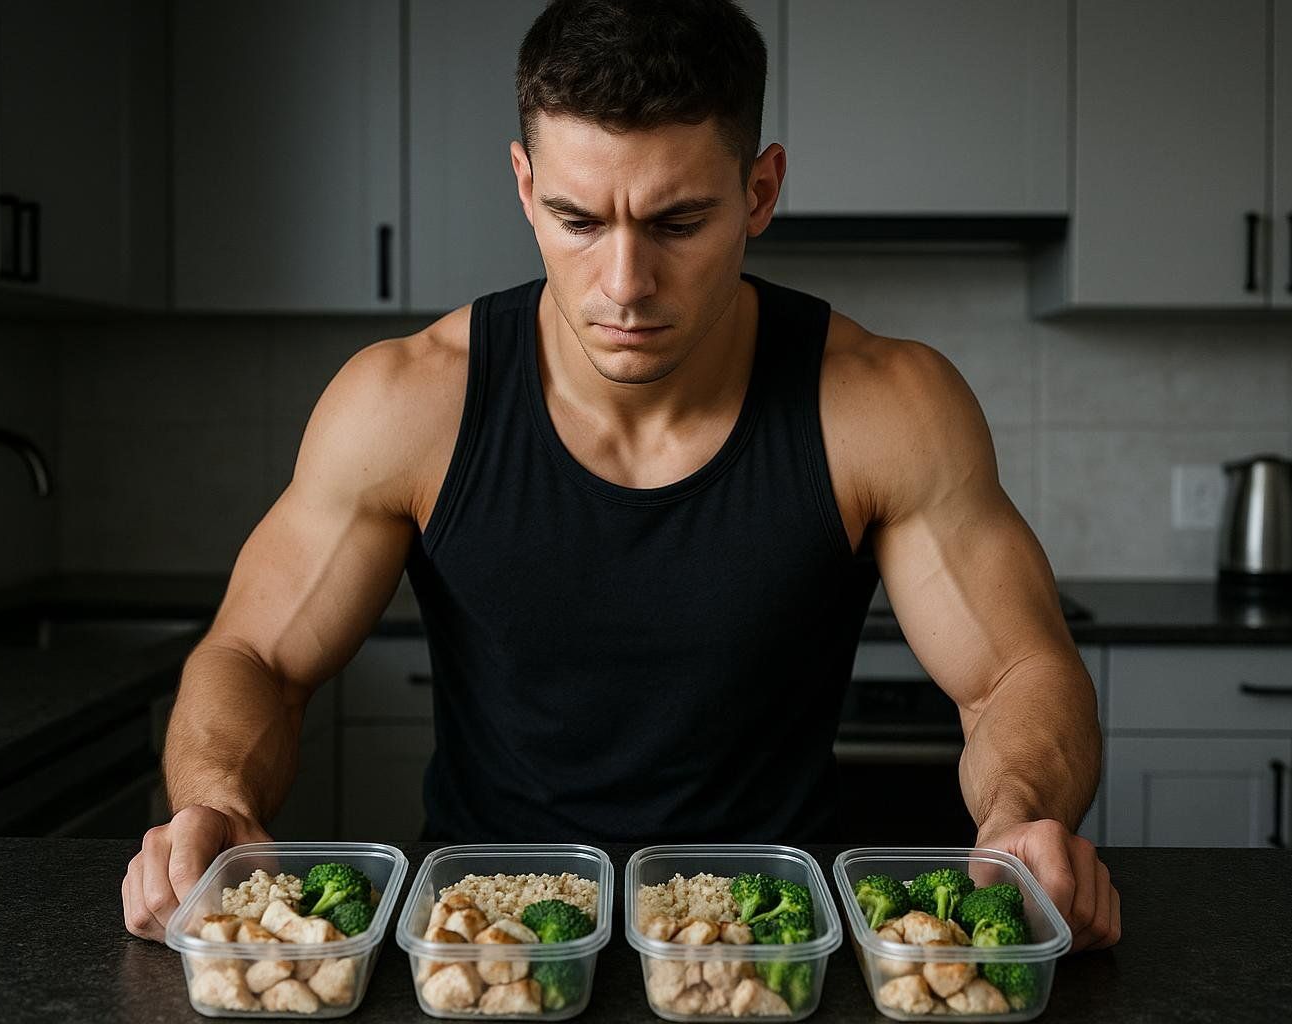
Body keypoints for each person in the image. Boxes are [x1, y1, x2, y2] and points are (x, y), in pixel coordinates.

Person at [123, 0, 1120, 954]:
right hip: (484, 940)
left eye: (678, 224)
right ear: (523, 187)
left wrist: (1021, 816)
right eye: (578, 220)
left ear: (760, 193)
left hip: (768, 937)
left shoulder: (882, 405)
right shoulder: (407, 403)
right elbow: (255, 654)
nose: (625, 284)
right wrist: (216, 800)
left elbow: (1015, 675)